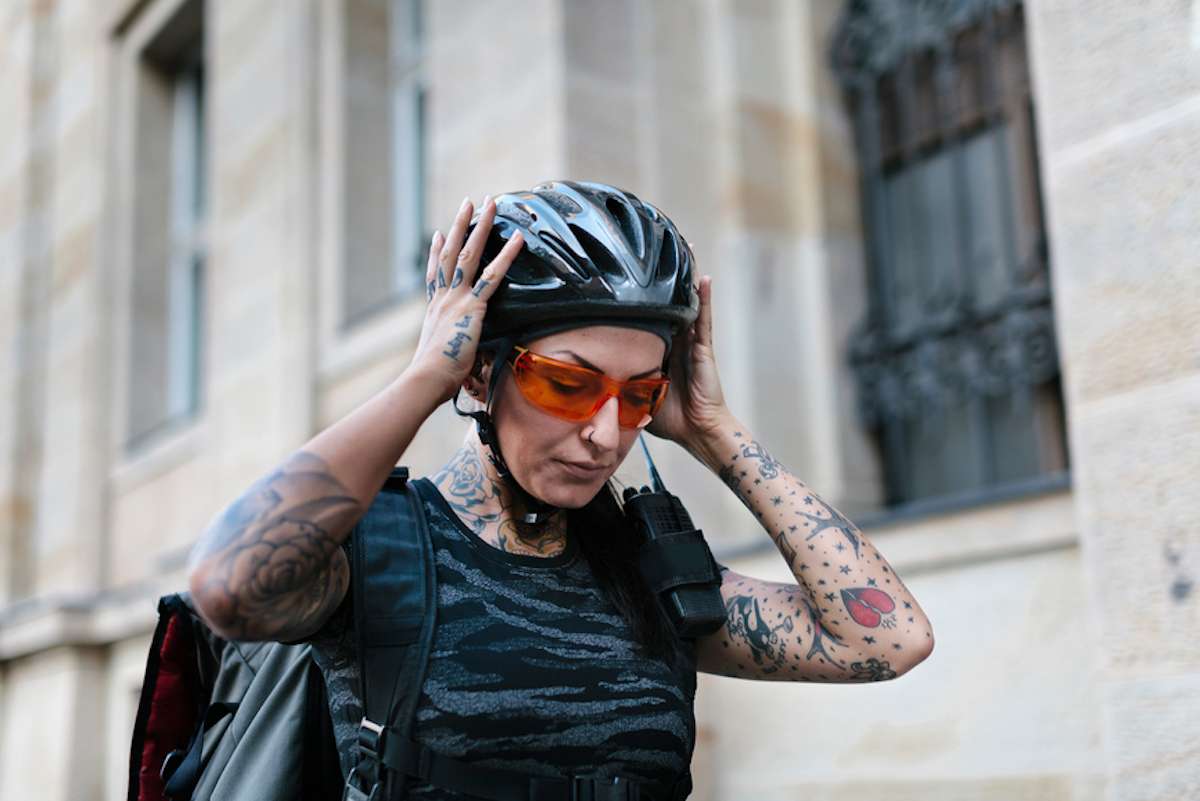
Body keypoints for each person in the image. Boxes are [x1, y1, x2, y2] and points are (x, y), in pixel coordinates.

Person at [186, 181, 934, 798]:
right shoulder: (384, 552)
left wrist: (712, 429)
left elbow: (885, 638)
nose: (606, 435)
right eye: (569, 385)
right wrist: (424, 378)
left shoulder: (649, 574)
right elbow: (229, 584)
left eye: (637, 396)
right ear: (484, 372)